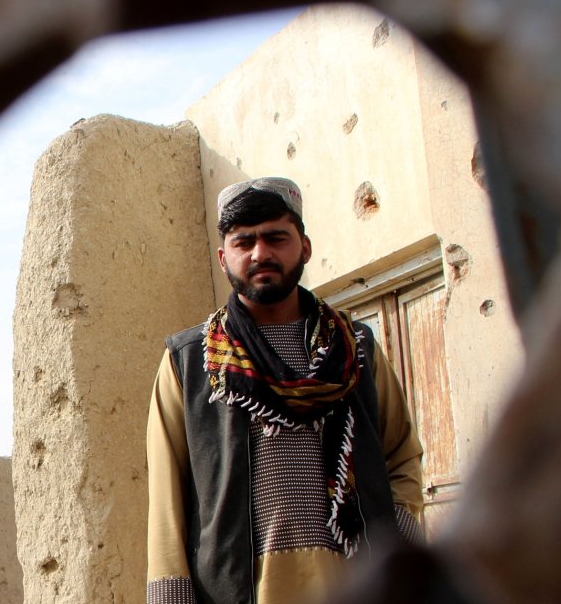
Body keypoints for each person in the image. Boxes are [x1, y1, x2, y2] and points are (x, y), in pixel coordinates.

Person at [145, 177, 425, 604]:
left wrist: (394, 534)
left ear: (305, 247)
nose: (261, 253)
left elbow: (402, 453)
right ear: (224, 258)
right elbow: (167, 499)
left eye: (276, 237)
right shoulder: (189, 362)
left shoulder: (355, 348)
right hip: (243, 591)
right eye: (244, 242)